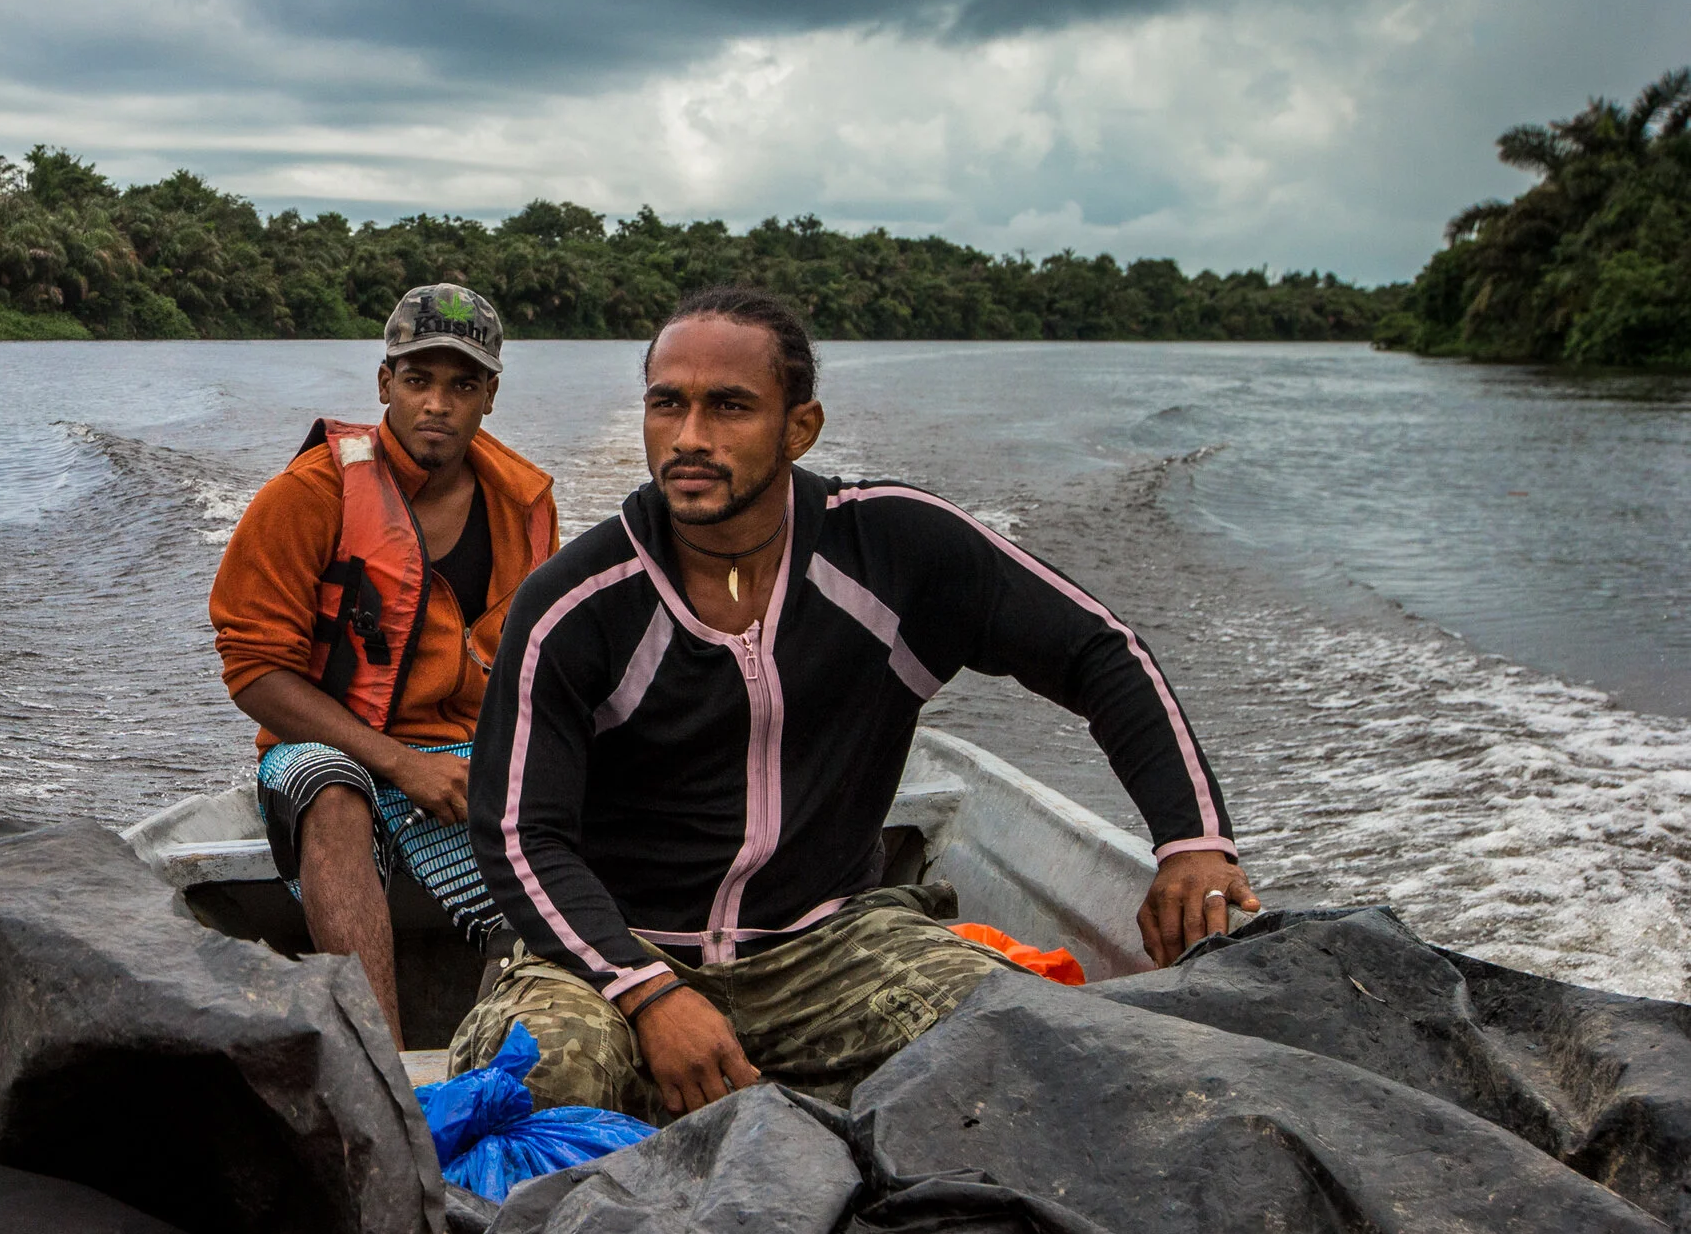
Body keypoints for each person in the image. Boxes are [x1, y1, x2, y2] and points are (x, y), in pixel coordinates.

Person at [455, 286, 1258, 1119]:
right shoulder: (575, 604)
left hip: (829, 948)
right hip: (606, 955)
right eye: (668, 404)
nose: (690, 437)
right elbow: (519, 833)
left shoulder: (893, 548)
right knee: (538, 1088)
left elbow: (1097, 652)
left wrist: (1192, 841)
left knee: (1022, 1046)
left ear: (799, 428)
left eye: (729, 406)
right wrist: (647, 989)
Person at [210, 284, 559, 1044]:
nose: (437, 403)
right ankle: (383, 1061)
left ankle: (511, 1039)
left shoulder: (524, 504)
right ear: (384, 384)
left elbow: (542, 664)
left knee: (570, 810)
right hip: (324, 742)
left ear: (489, 396)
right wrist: (400, 764)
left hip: (462, 745)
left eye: (462, 385)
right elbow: (253, 671)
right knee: (332, 795)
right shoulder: (309, 494)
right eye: (417, 380)